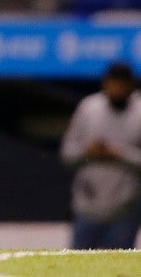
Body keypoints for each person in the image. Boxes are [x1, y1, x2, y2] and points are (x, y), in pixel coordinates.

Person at [60, 62, 141, 249]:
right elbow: (67, 154)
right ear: (105, 84)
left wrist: (119, 153)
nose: (117, 90)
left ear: (131, 86)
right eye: (113, 84)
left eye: (122, 85)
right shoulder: (89, 108)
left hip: (125, 210)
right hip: (86, 209)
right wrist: (87, 151)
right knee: (79, 270)